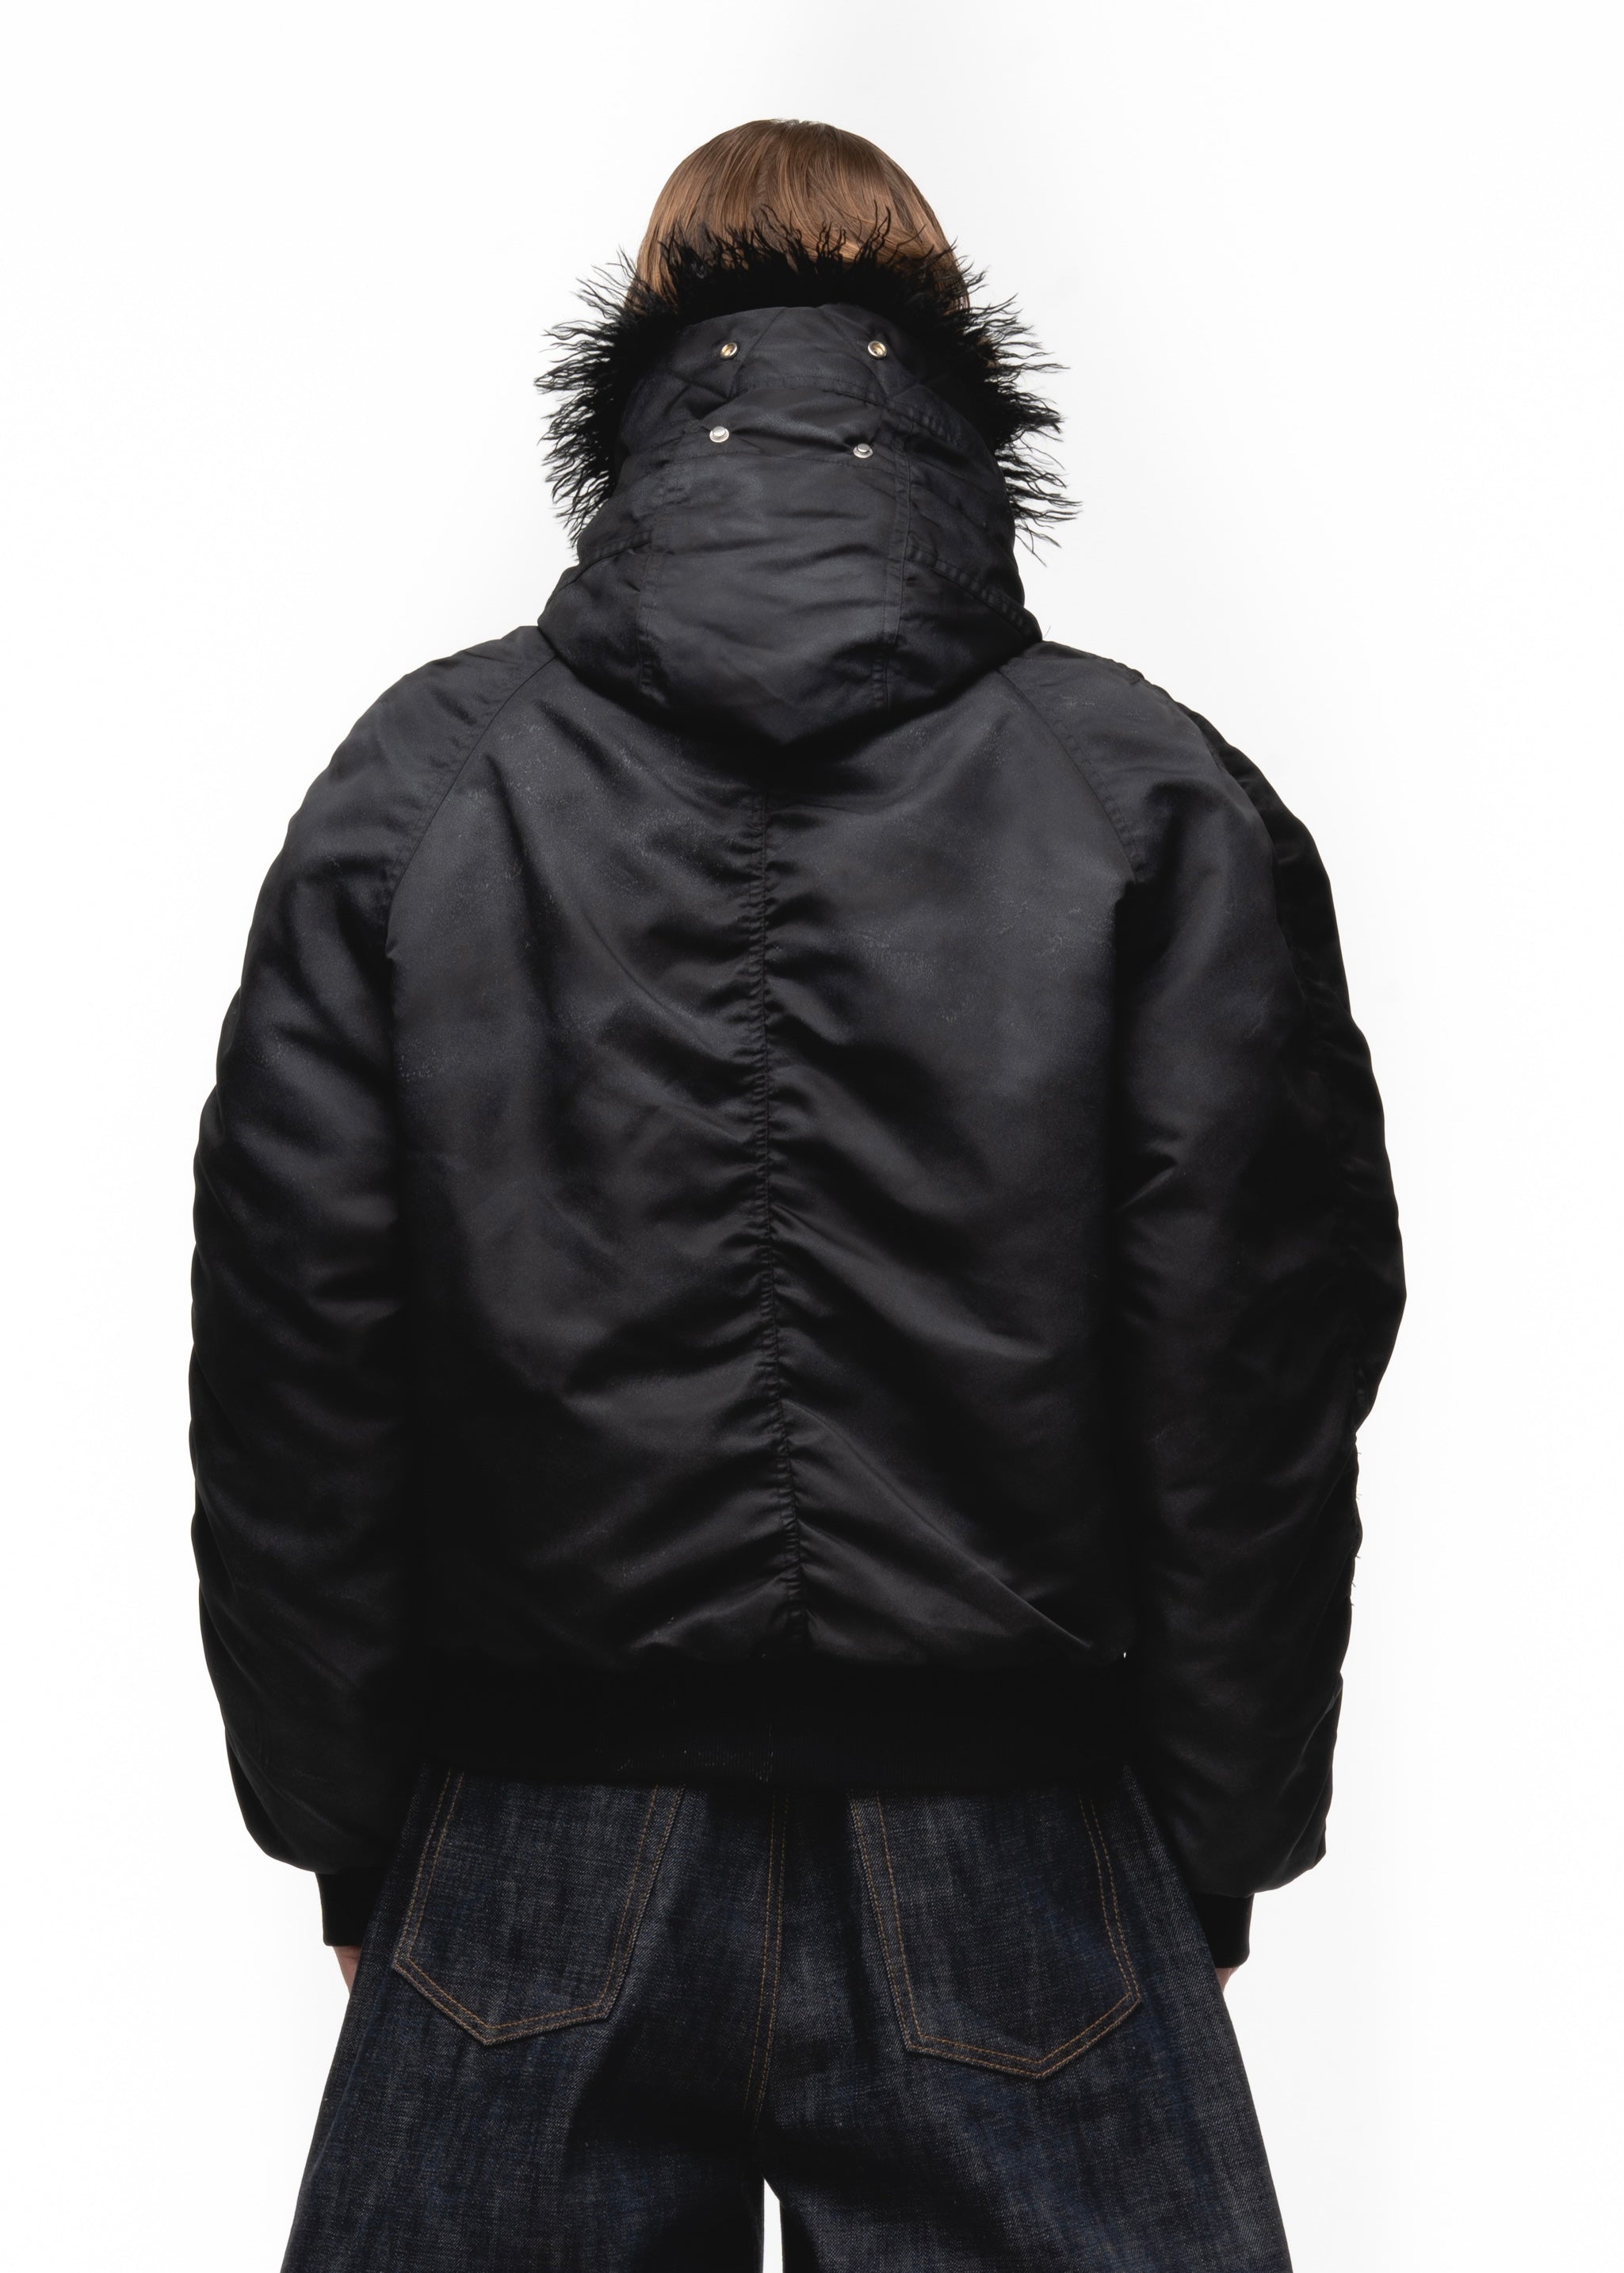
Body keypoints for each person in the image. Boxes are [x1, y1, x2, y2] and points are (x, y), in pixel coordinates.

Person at [192, 117, 1403, 2271]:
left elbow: (292, 1356)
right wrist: (1213, 1835)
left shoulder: (425, 782)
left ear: (638, 382)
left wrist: (353, 1828)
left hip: (532, 1837)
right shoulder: (1142, 790)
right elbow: (1255, 1366)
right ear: (950, 380)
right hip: (1020, 1834)